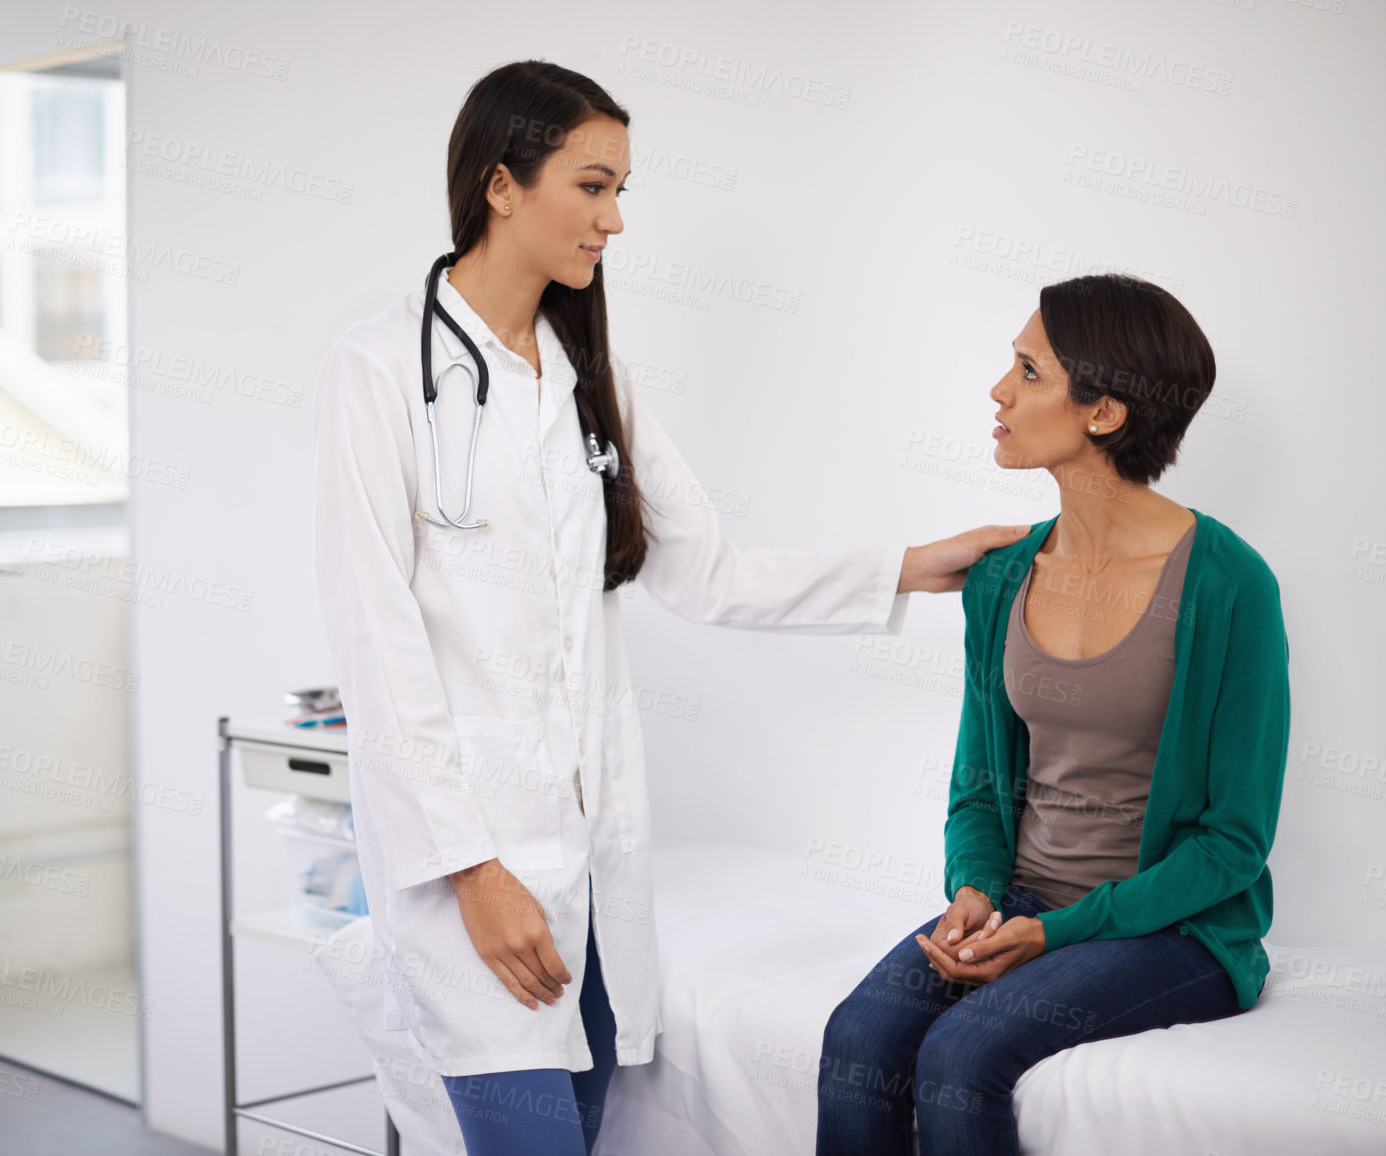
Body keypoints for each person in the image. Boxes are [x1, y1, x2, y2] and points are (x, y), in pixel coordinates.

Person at [312, 59, 1028, 1156]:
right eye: (593, 187)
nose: (616, 219)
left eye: (622, 190)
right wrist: (472, 869)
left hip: (593, 880)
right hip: (473, 882)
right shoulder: (377, 372)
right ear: (502, 186)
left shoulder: (595, 380)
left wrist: (910, 564)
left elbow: (710, 573)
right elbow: (380, 648)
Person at [816, 273, 1292, 1156]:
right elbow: (978, 788)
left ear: (1103, 412)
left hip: (1175, 930)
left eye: (1029, 373)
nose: (1000, 392)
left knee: (961, 1057)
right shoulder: (1002, 577)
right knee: (858, 1039)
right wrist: (973, 895)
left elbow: (1234, 842)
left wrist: (1058, 934)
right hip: (1023, 900)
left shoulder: (1229, 586)